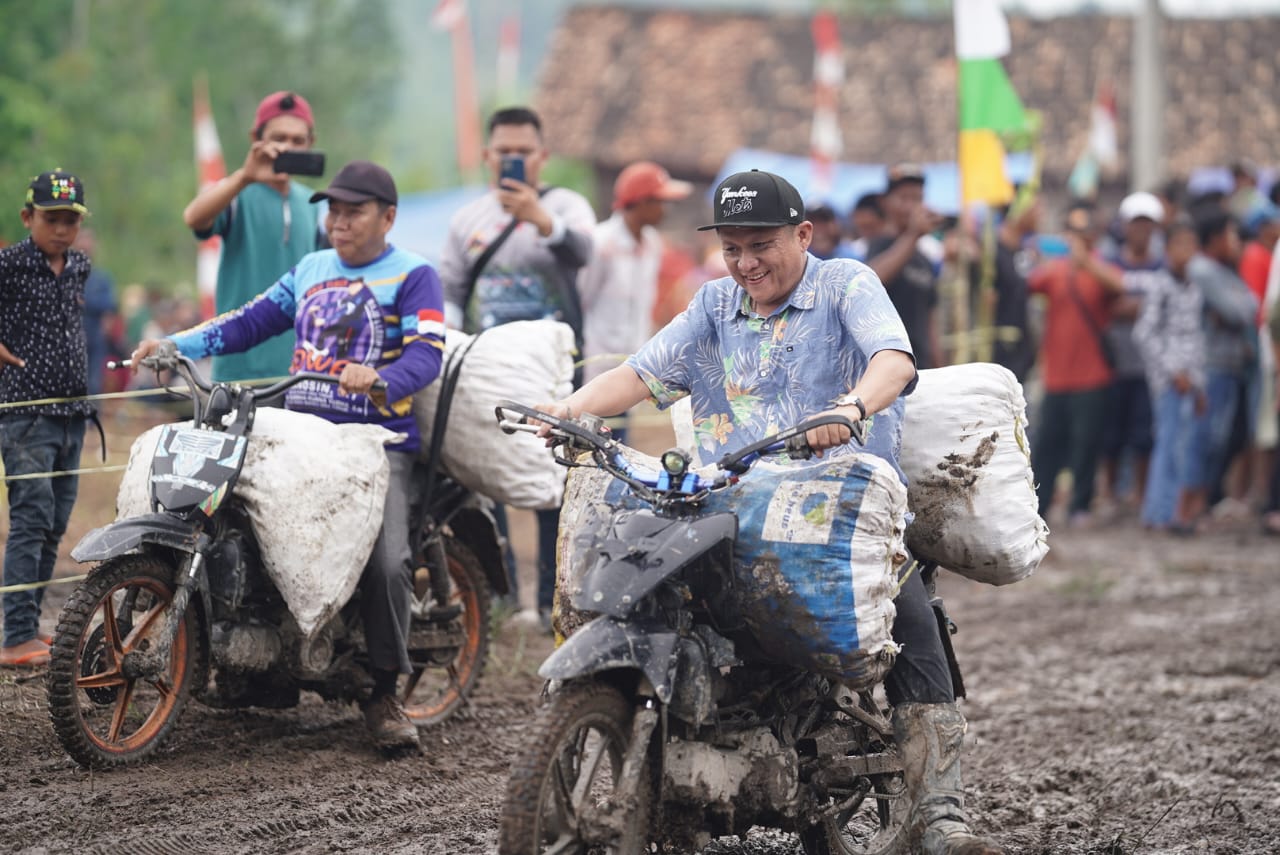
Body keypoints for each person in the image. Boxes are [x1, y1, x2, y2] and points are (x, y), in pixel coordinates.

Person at [536, 169, 1003, 855]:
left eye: (762, 245)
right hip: (735, 512)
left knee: (905, 609)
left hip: (844, 518)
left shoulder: (846, 284)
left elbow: (894, 361)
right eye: (733, 248)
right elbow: (639, 373)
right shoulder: (715, 305)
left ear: (803, 234)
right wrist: (570, 408)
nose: (747, 263)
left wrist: (849, 409)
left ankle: (940, 812)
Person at [133, 161, 444, 752]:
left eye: (353, 211)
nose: (338, 221)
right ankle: (257, 665)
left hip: (378, 444)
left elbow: (429, 353)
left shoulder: (415, 275)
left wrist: (379, 377)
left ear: (389, 217)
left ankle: (383, 691)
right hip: (301, 436)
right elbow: (247, 323)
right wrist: (178, 345)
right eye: (333, 210)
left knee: (387, 563)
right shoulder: (310, 270)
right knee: (234, 524)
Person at [438, 106, 595, 626]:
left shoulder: (566, 205)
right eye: (503, 151)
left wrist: (540, 220)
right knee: (493, 470)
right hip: (489, 370)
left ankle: (555, 592)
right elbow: (452, 293)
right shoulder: (468, 219)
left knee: (558, 474)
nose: (513, 159)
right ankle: (503, 591)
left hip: (554, 369)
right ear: (488, 156)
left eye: (523, 151)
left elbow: (584, 252)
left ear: (542, 156)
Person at [0, 170, 94, 669]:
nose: (61, 229)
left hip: (72, 415)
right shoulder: (9, 264)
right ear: (27, 217)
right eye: (51, 219)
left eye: (70, 220)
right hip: (26, 414)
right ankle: (14, 635)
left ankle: (30, 625)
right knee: (30, 520)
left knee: (55, 523)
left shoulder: (79, 266)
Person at [182, 90, 323, 383]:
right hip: (239, 370)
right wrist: (245, 177)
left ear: (311, 144)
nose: (288, 147)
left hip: (298, 370)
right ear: (256, 139)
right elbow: (194, 218)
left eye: (298, 141)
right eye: (278, 138)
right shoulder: (237, 195)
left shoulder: (313, 205)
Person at [1026, 204, 1125, 526]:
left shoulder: (1102, 269)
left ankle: (1080, 506)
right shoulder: (1055, 270)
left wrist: (1087, 264)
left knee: (1086, 445)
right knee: (1048, 445)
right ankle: (1039, 506)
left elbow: (1118, 286)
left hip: (1093, 375)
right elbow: (1027, 284)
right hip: (1056, 376)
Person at [578, 161, 691, 387]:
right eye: (661, 202)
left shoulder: (652, 244)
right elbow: (582, 299)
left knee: (622, 421)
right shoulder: (601, 244)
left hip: (633, 365)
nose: (665, 210)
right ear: (642, 203)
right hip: (597, 365)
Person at [1133, 220, 1206, 532]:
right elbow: (1144, 333)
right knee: (1168, 443)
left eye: (1191, 245)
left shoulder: (1194, 286)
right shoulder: (1159, 285)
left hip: (1191, 378)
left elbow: (1196, 337)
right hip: (1169, 380)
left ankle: (1171, 512)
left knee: (1183, 445)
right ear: (1167, 249)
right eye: (1180, 245)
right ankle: (1159, 514)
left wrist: (1198, 383)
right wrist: (1171, 371)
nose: (1186, 252)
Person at [1098, 191, 1167, 514]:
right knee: (1110, 433)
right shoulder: (1110, 263)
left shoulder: (1162, 265)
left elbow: (1162, 308)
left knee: (1144, 434)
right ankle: (1110, 494)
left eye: (1147, 225)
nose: (1142, 231)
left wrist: (1132, 305)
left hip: (1150, 365)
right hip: (1115, 362)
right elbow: (1109, 307)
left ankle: (1140, 494)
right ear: (1125, 227)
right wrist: (1145, 305)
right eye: (1136, 224)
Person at [1188, 210, 1258, 517]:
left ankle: (1205, 502)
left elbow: (1250, 305)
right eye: (1230, 235)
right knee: (1206, 437)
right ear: (1215, 238)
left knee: (1222, 438)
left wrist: (1237, 304)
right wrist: (1236, 304)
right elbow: (1239, 312)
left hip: (1230, 366)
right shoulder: (1203, 270)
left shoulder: (1224, 270)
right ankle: (1194, 506)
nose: (1235, 242)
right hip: (1212, 365)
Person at [867, 164, 943, 369]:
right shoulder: (877, 245)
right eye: (903, 198)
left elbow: (930, 324)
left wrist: (939, 369)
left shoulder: (924, 260)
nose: (910, 207)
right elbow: (870, 281)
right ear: (884, 202)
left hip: (921, 369)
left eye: (917, 199)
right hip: (885, 371)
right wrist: (913, 235)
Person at [72, 228, 118, 397]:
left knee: (94, 382)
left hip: (95, 337)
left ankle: (90, 420)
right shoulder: (67, 274)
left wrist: (84, 301)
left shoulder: (102, 277)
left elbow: (110, 304)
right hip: (71, 336)